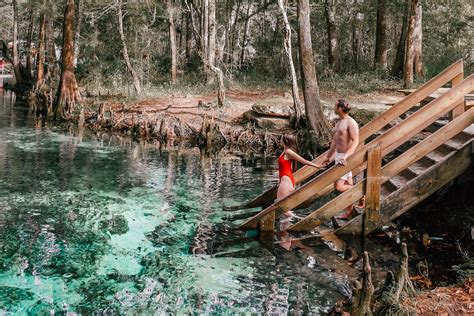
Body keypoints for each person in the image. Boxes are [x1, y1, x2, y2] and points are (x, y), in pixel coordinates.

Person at [277, 133, 325, 250]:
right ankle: (288, 236)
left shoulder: (289, 152)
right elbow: (284, 168)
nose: (279, 140)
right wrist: (279, 181)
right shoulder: (285, 152)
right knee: (284, 208)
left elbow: (303, 161)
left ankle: (301, 223)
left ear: (285, 141)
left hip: (287, 181)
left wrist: (317, 166)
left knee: (282, 208)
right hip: (285, 180)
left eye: (281, 139)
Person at [322, 99, 361, 219]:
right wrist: (328, 156)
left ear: (340, 108)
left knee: (338, 186)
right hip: (339, 156)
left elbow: (356, 141)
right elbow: (335, 141)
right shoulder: (339, 122)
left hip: (346, 157)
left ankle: (362, 194)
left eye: (335, 106)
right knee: (348, 184)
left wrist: (345, 156)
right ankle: (348, 213)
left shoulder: (351, 122)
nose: (333, 108)